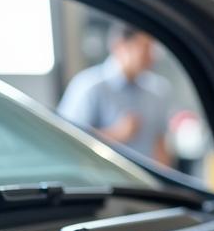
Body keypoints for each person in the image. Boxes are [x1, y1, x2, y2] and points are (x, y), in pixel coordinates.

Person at [57, 22, 171, 165]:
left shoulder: (158, 90)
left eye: (153, 48)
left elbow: (160, 144)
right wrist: (117, 134)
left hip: (146, 184)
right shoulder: (88, 86)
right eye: (145, 47)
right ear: (119, 46)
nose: (152, 56)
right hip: (102, 182)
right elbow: (66, 142)